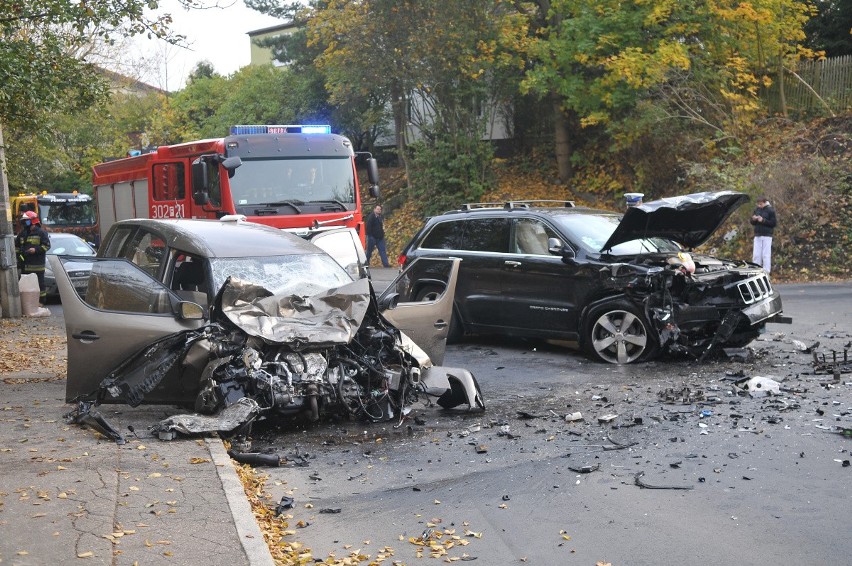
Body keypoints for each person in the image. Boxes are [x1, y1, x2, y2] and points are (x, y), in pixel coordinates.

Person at [15, 211, 51, 304]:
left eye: (26, 221)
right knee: (27, 286)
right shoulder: (22, 234)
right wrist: (19, 257)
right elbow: (17, 247)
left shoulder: (41, 233)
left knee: (40, 285)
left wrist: (35, 250)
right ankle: (28, 303)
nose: (24, 223)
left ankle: (41, 302)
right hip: (25, 266)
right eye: (24, 221)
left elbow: (46, 246)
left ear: (33, 221)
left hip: (37, 265)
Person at [750, 196, 776, 273]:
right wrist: (753, 219)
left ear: (765, 203)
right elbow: (752, 222)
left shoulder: (770, 210)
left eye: (760, 204)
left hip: (767, 235)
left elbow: (773, 223)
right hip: (757, 234)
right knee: (756, 255)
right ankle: (755, 270)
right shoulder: (757, 210)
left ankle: (766, 271)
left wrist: (763, 220)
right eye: (758, 204)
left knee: (766, 255)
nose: (759, 206)